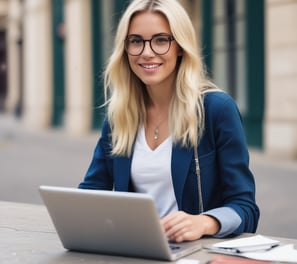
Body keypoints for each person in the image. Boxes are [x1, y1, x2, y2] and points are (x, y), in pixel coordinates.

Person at [78, 0, 260, 243]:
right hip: (136, 252)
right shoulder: (119, 117)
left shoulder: (216, 109)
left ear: (181, 47)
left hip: (195, 253)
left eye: (161, 40)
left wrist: (204, 222)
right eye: (135, 41)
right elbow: (90, 194)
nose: (147, 52)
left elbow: (246, 208)